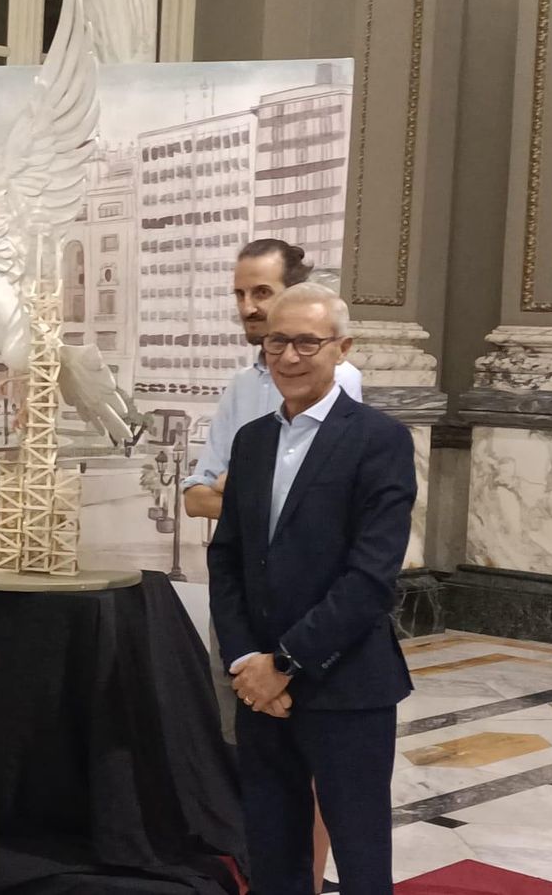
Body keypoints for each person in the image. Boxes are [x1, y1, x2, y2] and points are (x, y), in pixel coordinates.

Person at [207, 283, 415, 894]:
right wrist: (249, 661)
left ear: (342, 348)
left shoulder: (379, 440)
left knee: (360, 855)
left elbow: (370, 578)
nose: (289, 357)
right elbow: (228, 560)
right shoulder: (252, 441)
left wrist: (287, 664)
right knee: (272, 852)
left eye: (307, 342)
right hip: (260, 690)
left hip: (347, 684)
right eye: (277, 341)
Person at [182, 239, 357, 891]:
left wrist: (248, 488)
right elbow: (198, 495)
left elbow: (324, 506)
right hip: (241, 612)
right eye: (240, 294)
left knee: (310, 766)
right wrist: (253, 488)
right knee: (253, 759)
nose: (249, 308)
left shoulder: (340, 381)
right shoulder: (240, 387)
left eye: (262, 293)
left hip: (312, 620)